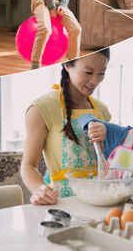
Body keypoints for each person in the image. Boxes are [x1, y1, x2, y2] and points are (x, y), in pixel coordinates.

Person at [21, 49, 111, 204]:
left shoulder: (102, 110)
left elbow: (110, 157)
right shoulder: (41, 108)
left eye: (101, 73)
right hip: (61, 202)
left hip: (100, 198)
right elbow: (28, 166)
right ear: (67, 65)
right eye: (88, 72)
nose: (95, 80)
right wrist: (39, 190)